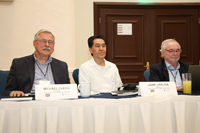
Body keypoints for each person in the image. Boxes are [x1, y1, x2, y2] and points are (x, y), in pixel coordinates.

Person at [3, 29, 70, 97]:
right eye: (43, 41)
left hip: (56, 103)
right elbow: (7, 91)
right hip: (29, 103)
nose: (47, 45)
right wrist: (14, 93)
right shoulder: (19, 64)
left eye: (50, 42)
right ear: (34, 43)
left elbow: (69, 91)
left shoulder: (62, 66)